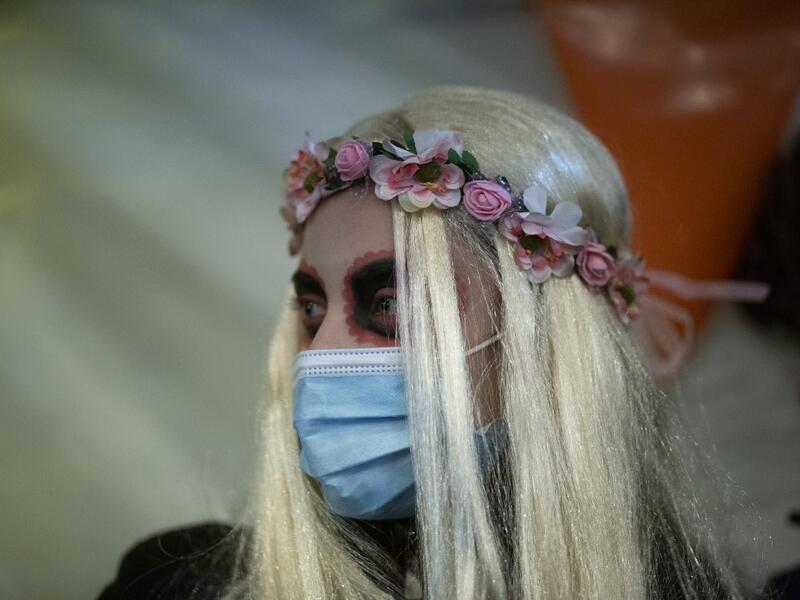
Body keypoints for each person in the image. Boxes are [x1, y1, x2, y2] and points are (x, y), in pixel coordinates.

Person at [98, 85, 757, 599]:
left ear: (543, 341)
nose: (320, 352)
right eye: (310, 306)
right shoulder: (178, 585)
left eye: (388, 304)